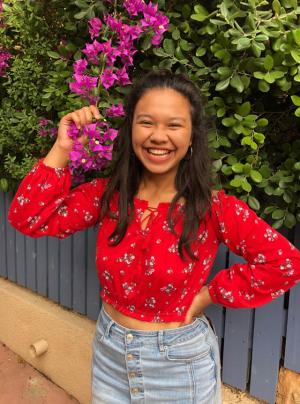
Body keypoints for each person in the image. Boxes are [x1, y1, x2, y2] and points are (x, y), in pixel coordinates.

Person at [8, 69, 300, 404]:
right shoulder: (109, 196)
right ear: (131, 128)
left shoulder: (214, 209)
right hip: (109, 354)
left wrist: (209, 294)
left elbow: (285, 262)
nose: (158, 135)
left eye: (174, 125)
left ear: (191, 137)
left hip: (178, 365)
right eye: (147, 122)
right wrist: (64, 147)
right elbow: (28, 217)